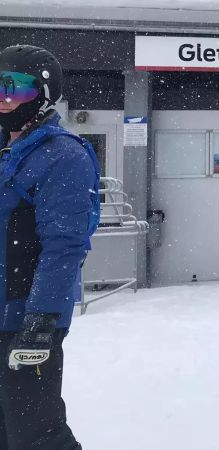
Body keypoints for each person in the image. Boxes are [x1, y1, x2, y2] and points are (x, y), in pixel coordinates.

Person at [0, 45, 101, 449]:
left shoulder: (63, 156)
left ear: (43, 94)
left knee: (36, 436)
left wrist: (40, 323)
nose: (4, 100)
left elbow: (64, 247)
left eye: (15, 89)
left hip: (24, 317)